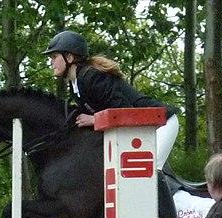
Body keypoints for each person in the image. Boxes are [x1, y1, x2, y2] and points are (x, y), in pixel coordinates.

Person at [42, 30, 179, 169]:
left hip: (161, 124)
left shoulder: (92, 78)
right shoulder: (75, 85)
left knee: (149, 167)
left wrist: (95, 119)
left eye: (54, 57)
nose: (51, 62)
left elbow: (125, 112)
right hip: (141, 129)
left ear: (69, 57)